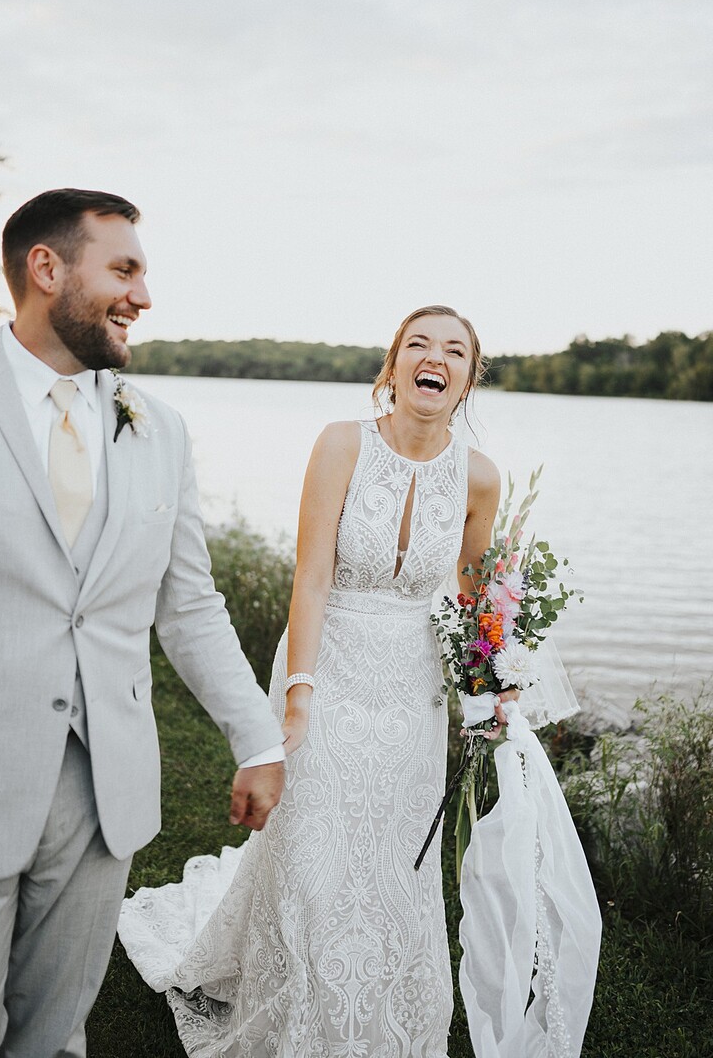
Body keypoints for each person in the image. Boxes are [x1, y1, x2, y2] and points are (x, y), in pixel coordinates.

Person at [0, 188, 286, 1058]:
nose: (144, 295)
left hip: (105, 788)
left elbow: (191, 603)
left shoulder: (159, 428)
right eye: (124, 270)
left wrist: (258, 738)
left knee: (58, 1033)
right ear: (47, 268)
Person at [119, 305, 506, 1056]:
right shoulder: (341, 443)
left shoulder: (481, 477)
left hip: (412, 689)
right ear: (393, 365)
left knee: (391, 857)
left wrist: (493, 682)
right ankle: (301, 1004)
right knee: (313, 847)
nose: (435, 357)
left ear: (468, 378)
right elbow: (312, 577)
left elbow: (475, 596)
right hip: (326, 665)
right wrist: (299, 694)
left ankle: (379, 1008)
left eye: (454, 351)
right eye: (418, 344)